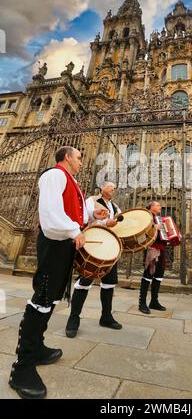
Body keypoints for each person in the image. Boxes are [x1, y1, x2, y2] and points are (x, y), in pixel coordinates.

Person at [8, 146, 107, 399]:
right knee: (41, 298)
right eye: (79, 158)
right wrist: (75, 232)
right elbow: (51, 215)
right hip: (54, 242)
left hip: (64, 245)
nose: (81, 162)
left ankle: (37, 347)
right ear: (66, 158)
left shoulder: (71, 181)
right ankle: (22, 366)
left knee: (50, 298)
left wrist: (91, 214)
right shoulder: (54, 175)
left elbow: (72, 213)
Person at [65, 182, 122, 338]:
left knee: (109, 283)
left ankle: (106, 317)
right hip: (94, 246)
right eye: (111, 186)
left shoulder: (116, 208)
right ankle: (74, 318)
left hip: (110, 248)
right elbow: (85, 219)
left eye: (115, 187)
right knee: (84, 282)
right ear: (102, 188)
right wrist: (104, 222)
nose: (114, 189)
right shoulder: (91, 200)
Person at [138, 201, 168, 314]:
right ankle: (142, 303)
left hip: (161, 248)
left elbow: (163, 232)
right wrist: (154, 227)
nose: (160, 206)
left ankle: (154, 301)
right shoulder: (146, 216)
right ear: (151, 207)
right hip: (152, 248)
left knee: (159, 275)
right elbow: (141, 230)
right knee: (148, 274)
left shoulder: (159, 218)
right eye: (158, 205)